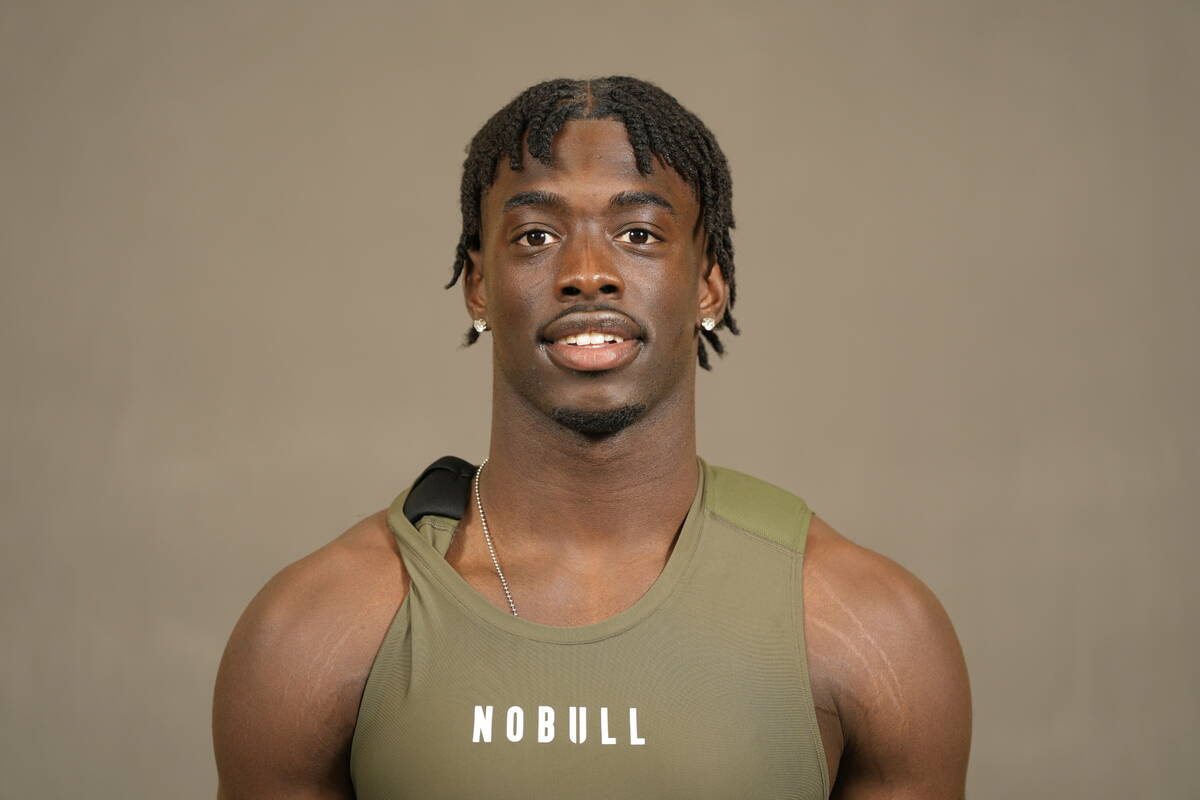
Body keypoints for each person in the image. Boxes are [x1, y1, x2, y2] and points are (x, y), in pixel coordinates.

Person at [212, 76, 971, 799]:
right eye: (536, 236)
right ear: (479, 285)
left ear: (709, 283)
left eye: (638, 233)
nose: (586, 273)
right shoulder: (318, 628)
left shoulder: (867, 625)